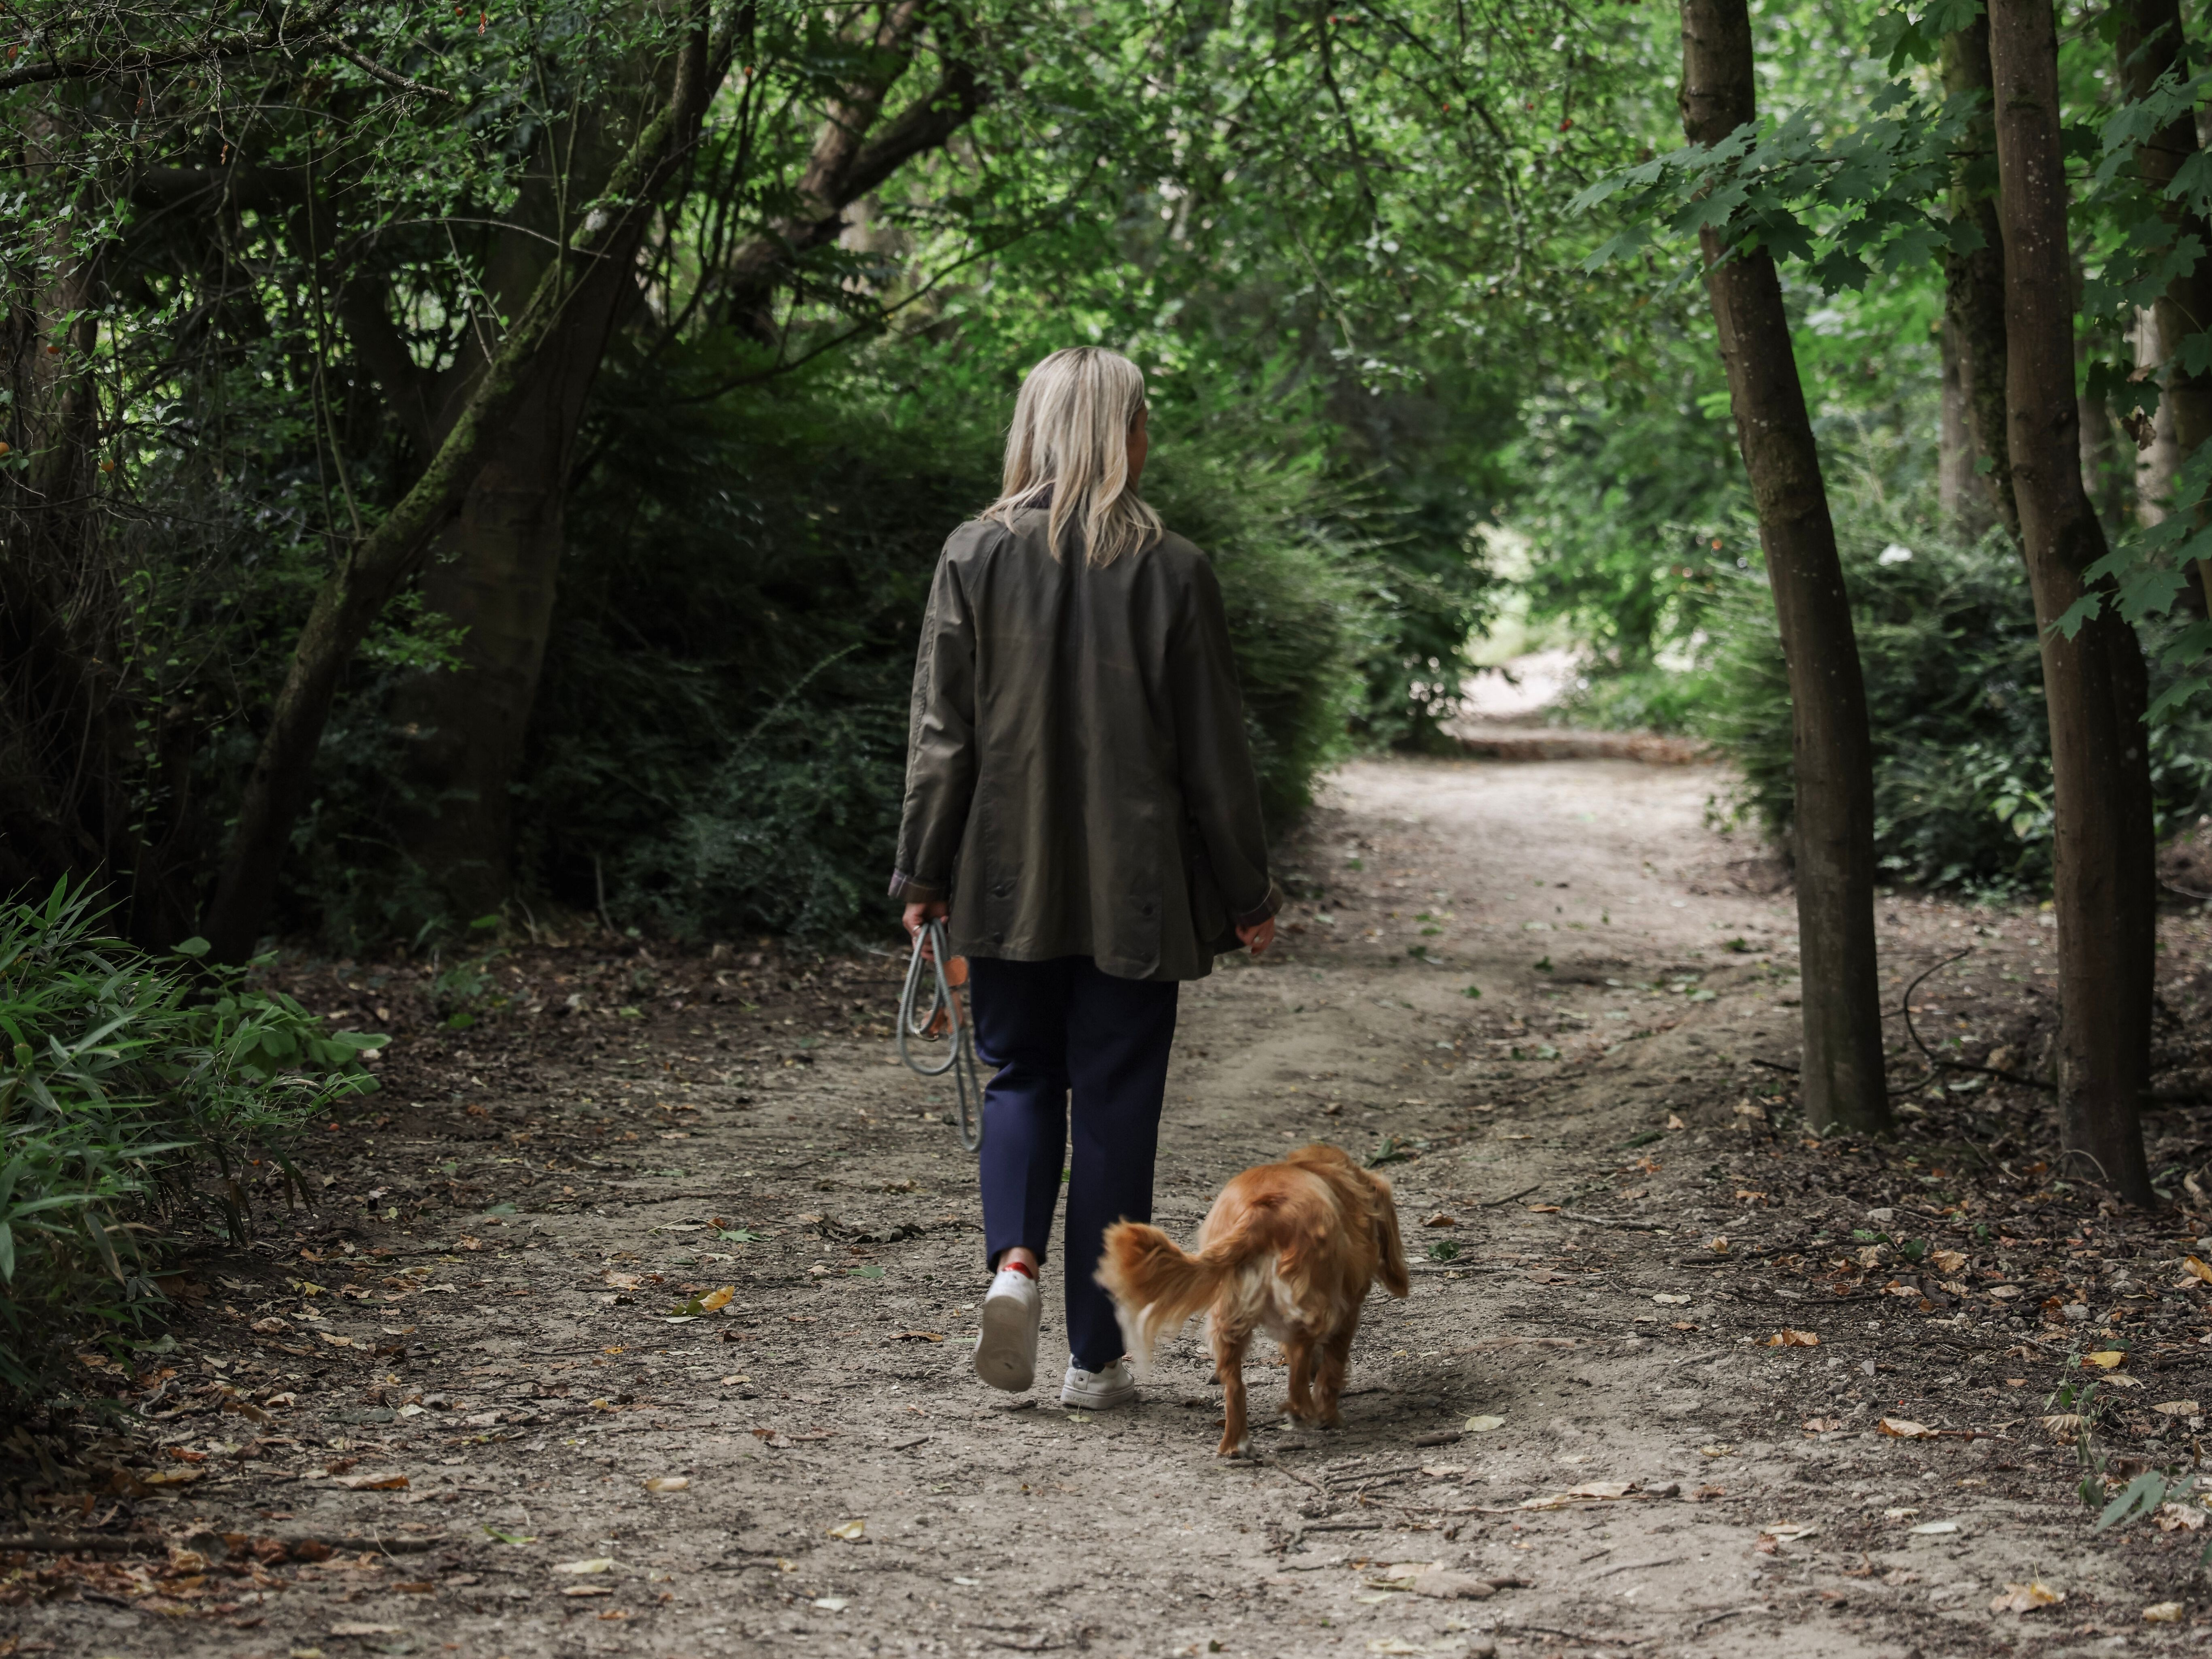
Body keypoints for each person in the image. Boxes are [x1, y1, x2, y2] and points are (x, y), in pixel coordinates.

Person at [889, 345, 1282, 1410]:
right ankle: (1094, 1357)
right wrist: (1249, 892)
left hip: (1002, 881)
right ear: (1127, 438)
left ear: (1031, 433)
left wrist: (923, 871)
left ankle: (1011, 1264)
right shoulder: (1175, 569)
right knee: (1114, 1103)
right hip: (1140, 893)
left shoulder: (972, 553)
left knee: (1018, 1072)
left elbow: (943, 739)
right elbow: (1215, 755)